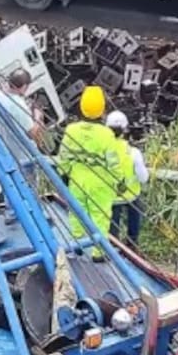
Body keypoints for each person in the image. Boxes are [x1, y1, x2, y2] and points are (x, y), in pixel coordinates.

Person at [56, 85, 124, 246]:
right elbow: (113, 161)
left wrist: (63, 173)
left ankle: (78, 244)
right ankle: (98, 252)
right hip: (101, 181)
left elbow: (64, 156)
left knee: (76, 213)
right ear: (102, 109)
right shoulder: (106, 134)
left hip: (77, 177)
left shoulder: (71, 130)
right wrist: (119, 180)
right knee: (99, 216)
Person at [106, 110, 148, 247]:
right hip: (131, 196)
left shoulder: (102, 151)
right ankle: (132, 245)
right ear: (125, 130)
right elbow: (143, 178)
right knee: (135, 213)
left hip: (111, 197)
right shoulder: (133, 152)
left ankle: (113, 247)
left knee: (112, 227)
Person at [0, 68, 43, 145]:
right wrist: (37, 116)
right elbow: (32, 134)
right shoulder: (19, 106)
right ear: (24, 86)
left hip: (3, 141)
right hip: (22, 150)